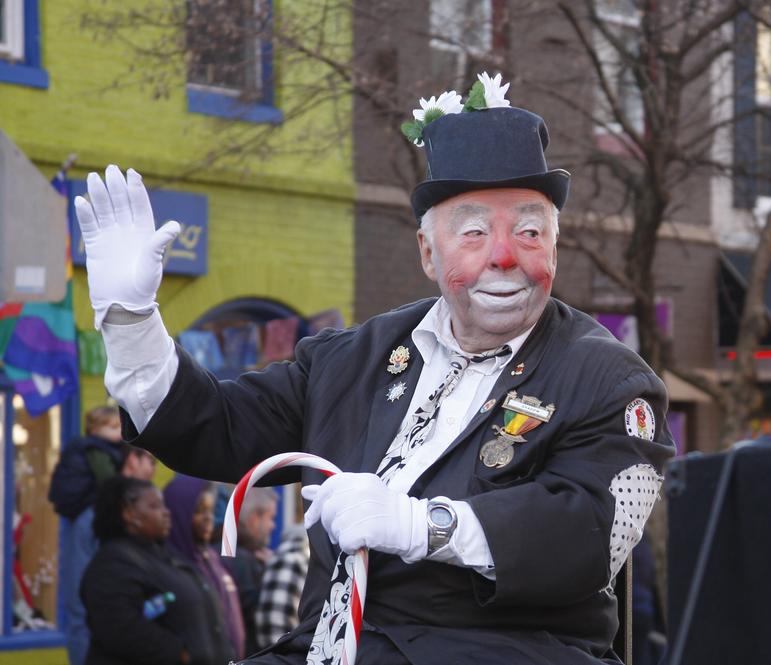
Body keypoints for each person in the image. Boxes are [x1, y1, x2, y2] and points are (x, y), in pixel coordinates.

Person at [74, 73, 674, 664]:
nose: (503, 256)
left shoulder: (611, 379)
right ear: (426, 252)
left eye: (529, 231)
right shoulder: (351, 359)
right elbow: (215, 428)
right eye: (472, 232)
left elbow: (598, 534)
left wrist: (426, 525)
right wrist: (131, 322)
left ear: (554, 246)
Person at [81, 476, 235, 665]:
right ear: (129, 513)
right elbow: (120, 628)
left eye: (163, 505)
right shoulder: (113, 563)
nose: (166, 513)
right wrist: (181, 654)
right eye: (155, 506)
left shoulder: (165, 556)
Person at [49, 406, 156, 665]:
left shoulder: (99, 455)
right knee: (82, 613)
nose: (152, 468)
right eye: (150, 461)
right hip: (90, 523)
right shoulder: (98, 455)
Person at [163, 474, 246, 660]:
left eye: (210, 510)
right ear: (180, 512)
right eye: (200, 511)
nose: (209, 518)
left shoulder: (215, 559)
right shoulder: (167, 566)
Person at [222, 487, 278, 655]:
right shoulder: (242, 561)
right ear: (254, 519)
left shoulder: (220, 553)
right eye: (271, 518)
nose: (273, 526)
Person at [255, 524, 310, 650]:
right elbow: (275, 623)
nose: (273, 526)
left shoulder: (290, 558)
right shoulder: (293, 560)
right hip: (285, 654)